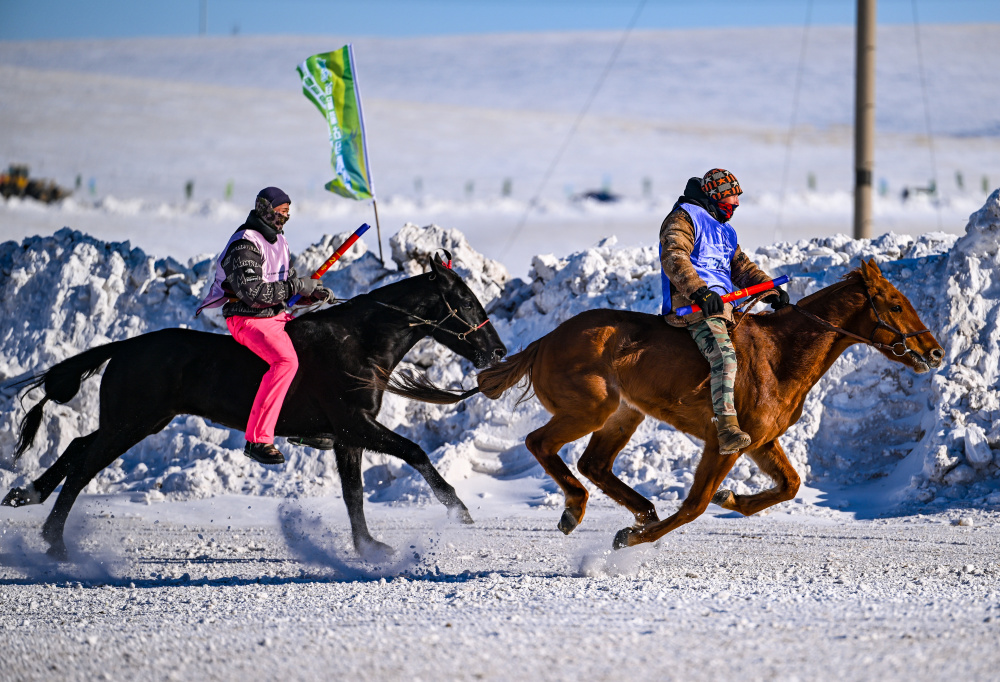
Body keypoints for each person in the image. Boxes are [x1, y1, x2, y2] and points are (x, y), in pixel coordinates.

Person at [197, 187, 331, 465]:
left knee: (312, 350)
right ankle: (258, 439)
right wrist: (296, 285)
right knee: (285, 362)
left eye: (287, 214)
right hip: (247, 318)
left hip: (274, 316)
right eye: (280, 213)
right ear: (263, 209)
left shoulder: (279, 241)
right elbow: (254, 293)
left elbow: (286, 289)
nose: (284, 219)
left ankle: (306, 426)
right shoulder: (244, 244)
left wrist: (309, 294)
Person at [659, 169, 789, 454]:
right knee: (726, 359)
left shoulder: (726, 231)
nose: (736, 204)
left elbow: (743, 268)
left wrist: (770, 290)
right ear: (715, 195)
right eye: (731, 196)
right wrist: (700, 291)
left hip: (725, 306)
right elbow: (674, 257)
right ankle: (727, 428)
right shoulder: (683, 218)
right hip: (694, 306)